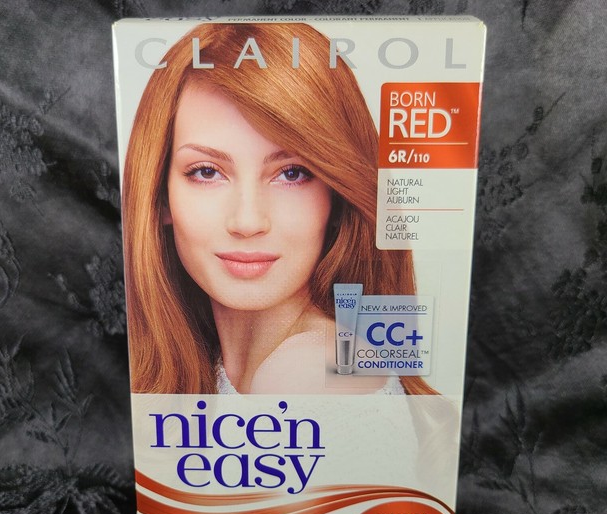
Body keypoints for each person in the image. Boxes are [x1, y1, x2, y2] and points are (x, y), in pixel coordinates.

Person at [122, 22, 436, 397]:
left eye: (291, 173)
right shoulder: (214, 364)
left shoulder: (307, 371)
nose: (248, 222)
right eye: (207, 172)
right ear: (160, 196)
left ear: (338, 197)